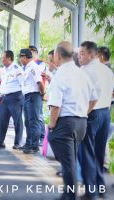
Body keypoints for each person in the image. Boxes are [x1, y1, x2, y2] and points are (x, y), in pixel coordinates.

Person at [48, 41, 97, 200]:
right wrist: (82, 113)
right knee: (71, 160)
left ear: (58, 55)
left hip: (66, 124)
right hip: (81, 123)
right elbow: (94, 99)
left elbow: (55, 106)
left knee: (67, 161)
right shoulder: (82, 73)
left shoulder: (60, 75)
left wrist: (51, 125)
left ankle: (70, 195)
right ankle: (70, 193)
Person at [78, 41, 114, 200]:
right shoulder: (107, 71)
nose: (79, 57)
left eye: (83, 54)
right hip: (105, 113)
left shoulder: (86, 71)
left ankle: (90, 192)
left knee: (87, 154)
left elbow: (89, 97)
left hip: (91, 114)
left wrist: (83, 114)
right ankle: (100, 188)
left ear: (92, 55)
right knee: (99, 153)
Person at [0, 50, 24, 149]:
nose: (2, 60)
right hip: (4, 98)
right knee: (1, 120)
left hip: (15, 97)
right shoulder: (3, 69)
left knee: (17, 121)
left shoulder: (17, 69)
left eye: (3, 58)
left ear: (9, 58)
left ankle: (18, 143)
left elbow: (23, 84)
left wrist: (22, 98)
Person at [19, 49, 45, 154]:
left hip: (33, 96)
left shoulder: (33, 67)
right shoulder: (27, 67)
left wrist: (42, 94)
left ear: (25, 57)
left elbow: (39, 83)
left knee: (34, 122)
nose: (20, 60)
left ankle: (34, 145)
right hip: (28, 96)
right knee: (28, 121)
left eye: (21, 57)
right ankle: (28, 143)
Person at [29, 45, 46, 145]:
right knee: (32, 117)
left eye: (31, 52)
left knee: (39, 115)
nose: (30, 53)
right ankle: (33, 138)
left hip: (39, 92)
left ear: (35, 52)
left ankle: (42, 137)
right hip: (29, 93)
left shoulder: (40, 63)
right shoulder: (28, 64)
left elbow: (38, 73)